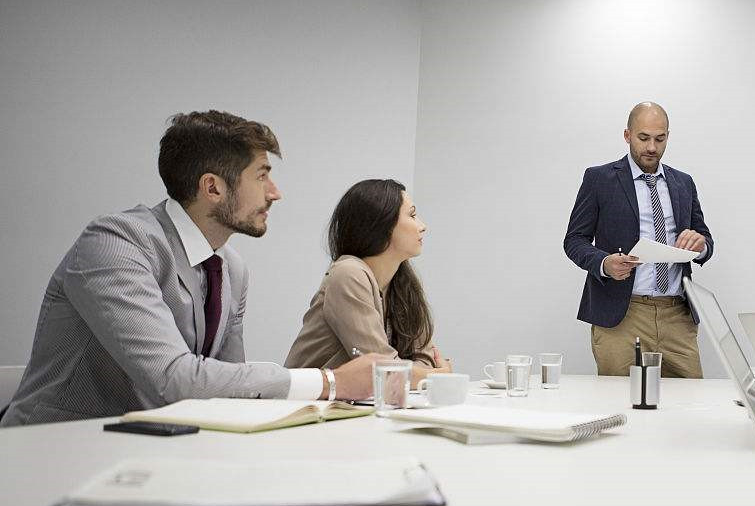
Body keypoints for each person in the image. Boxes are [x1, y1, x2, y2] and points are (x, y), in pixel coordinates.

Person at [0, 111, 382, 427]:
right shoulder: (114, 243)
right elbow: (174, 379)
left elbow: (231, 389)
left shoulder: (231, 269)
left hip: (149, 450)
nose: (274, 192)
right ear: (212, 188)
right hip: (51, 449)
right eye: (262, 175)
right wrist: (331, 382)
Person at [564, 102, 714, 378]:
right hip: (622, 315)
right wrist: (604, 263)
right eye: (643, 138)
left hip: (677, 315)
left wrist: (701, 244)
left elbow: (705, 239)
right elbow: (574, 240)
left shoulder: (683, 182)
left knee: (691, 403)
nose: (651, 148)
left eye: (660, 139)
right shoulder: (600, 179)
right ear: (627, 135)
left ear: (668, 136)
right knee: (618, 405)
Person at [285, 179, 451, 388]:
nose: (422, 226)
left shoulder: (404, 282)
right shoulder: (348, 274)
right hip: (306, 408)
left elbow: (424, 357)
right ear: (382, 224)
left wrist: (425, 374)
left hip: (355, 409)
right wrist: (436, 376)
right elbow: (383, 370)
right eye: (412, 215)